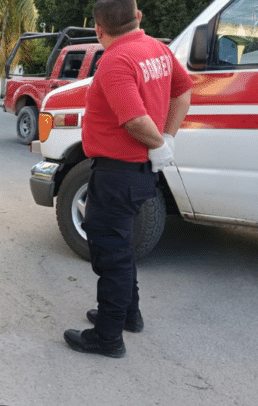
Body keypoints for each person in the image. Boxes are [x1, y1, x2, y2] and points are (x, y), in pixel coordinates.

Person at [63, 0, 192, 358]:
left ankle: (106, 337)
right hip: (137, 174)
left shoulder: (116, 61)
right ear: (138, 16)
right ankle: (126, 315)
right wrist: (167, 138)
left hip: (118, 172)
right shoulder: (158, 49)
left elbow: (134, 120)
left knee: (110, 254)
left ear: (98, 28)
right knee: (121, 248)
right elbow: (183, 92)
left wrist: (159, 143)